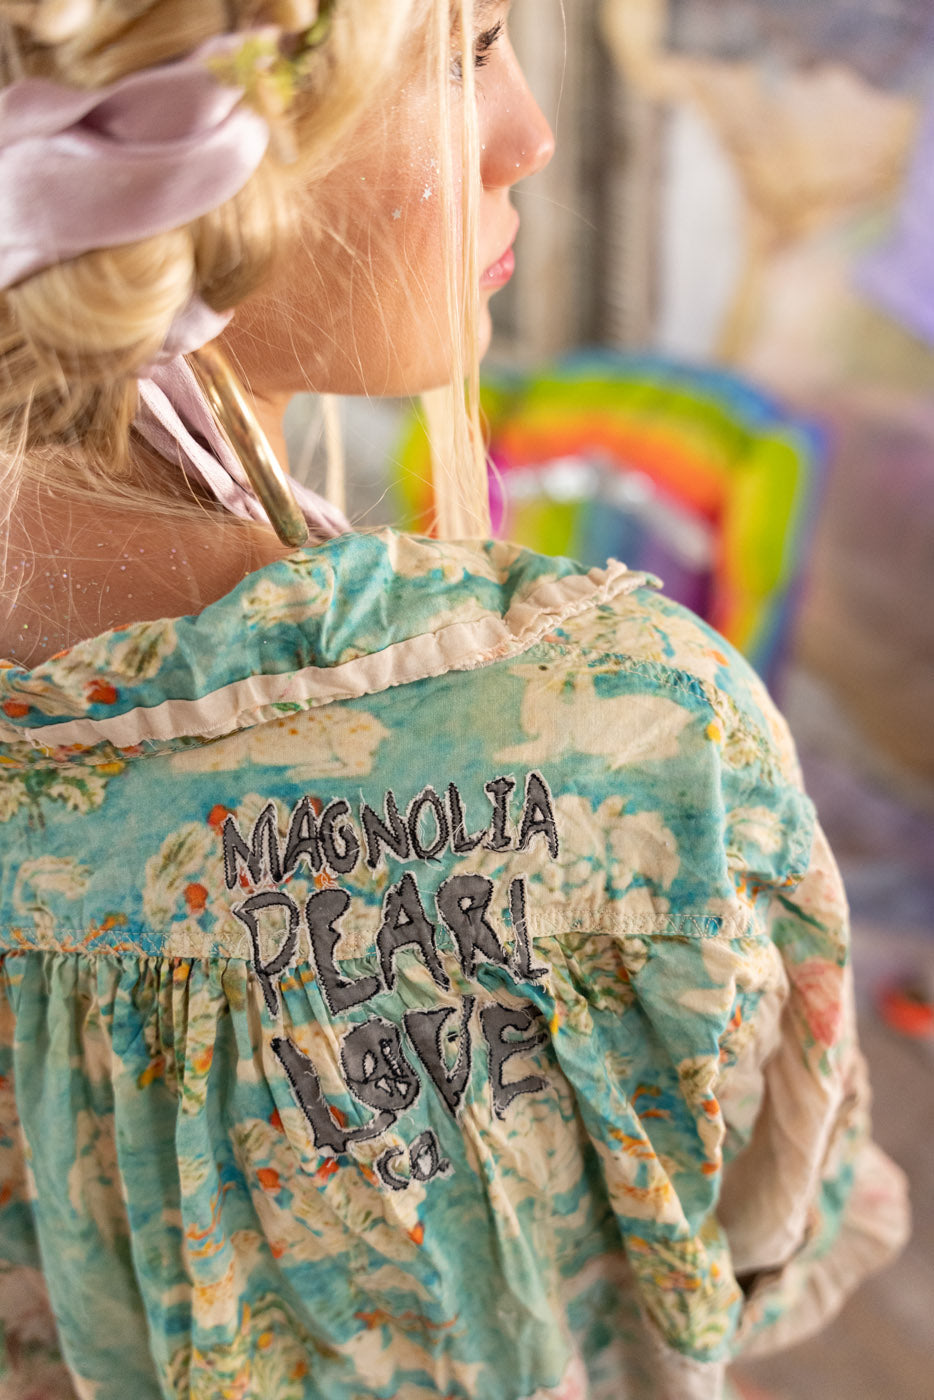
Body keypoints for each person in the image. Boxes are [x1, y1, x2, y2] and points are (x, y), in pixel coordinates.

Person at [0, 3, 908, 1399]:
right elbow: (768, 1227)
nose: (530, 135)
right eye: (466, 47)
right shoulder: (627, 735)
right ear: (149, 145)